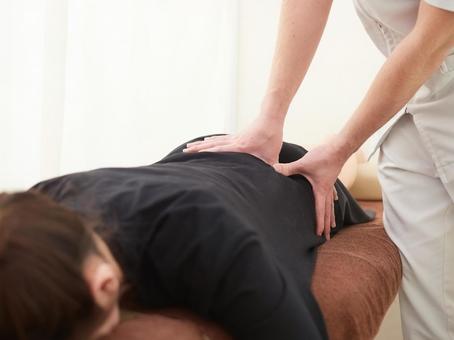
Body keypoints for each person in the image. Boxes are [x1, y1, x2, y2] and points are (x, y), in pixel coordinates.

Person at [185, 1, 454, 339]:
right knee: (433, 324)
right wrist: (270, 118)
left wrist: (342, 148)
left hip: (427, 79)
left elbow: (433, 37)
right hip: (413, 113)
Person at [0, 137, 372, 340]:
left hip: (285, 176)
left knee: (338, 178)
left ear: (104, 285)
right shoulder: (37, 202)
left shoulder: (209, 241)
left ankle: (342, 153)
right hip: (194, 160)